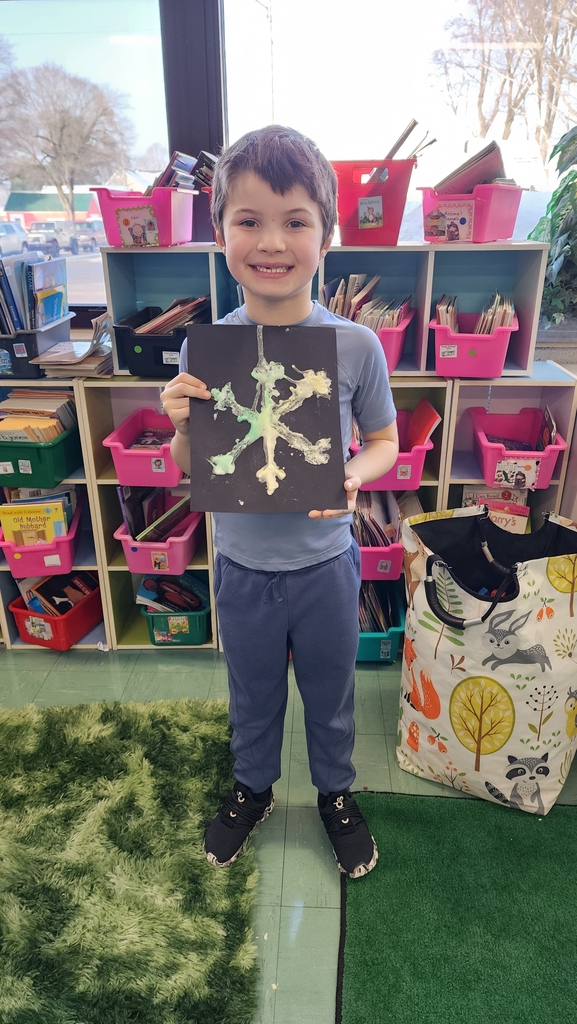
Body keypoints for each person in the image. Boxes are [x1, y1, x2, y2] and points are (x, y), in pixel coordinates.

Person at [161, 125, 399, 879]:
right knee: (252, 693)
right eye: (249, 220)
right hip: (240, 566)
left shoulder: (356, 346)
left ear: (326, 236)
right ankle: (252, 789)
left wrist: (354, 474)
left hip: (325, 565)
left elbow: (384, 442)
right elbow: (190, 467)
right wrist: (180, 427)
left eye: (295, 221)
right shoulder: (204, 350)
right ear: (220, 232)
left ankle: (336, 794)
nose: (271, 241)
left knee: (331, 693)